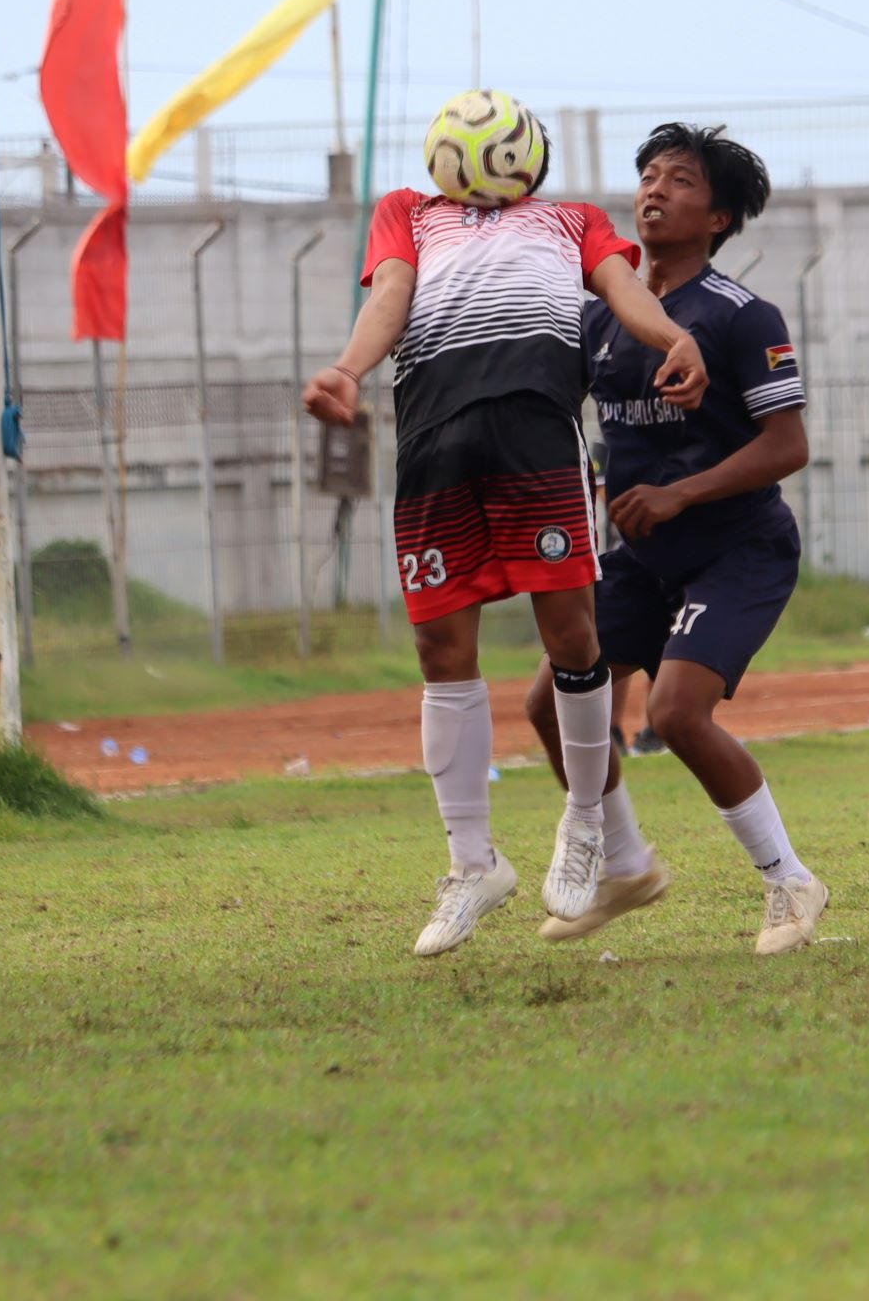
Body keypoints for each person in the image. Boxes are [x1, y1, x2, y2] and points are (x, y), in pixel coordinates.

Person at [301, 100, 709, 958]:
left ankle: (586, 825)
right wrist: (346, 368)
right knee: (442, 656)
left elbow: (625, 290)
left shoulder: (573, 221)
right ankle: (472, 864)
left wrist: (677, 338)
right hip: (433, 443)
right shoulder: (406, 212)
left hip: (535, 437)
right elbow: (393, 297)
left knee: (572, 637)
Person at [524, 122, 829, 955]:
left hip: (738, 549)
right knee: (551, 705)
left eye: (682, 181)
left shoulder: (738, 315)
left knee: (675, 714)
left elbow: (788, 445)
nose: (655, 190)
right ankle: (624, 865)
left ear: (719, 217)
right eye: (649, 175)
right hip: (641, 560)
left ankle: (790, 882)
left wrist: (680, 492)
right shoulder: (601, 320)